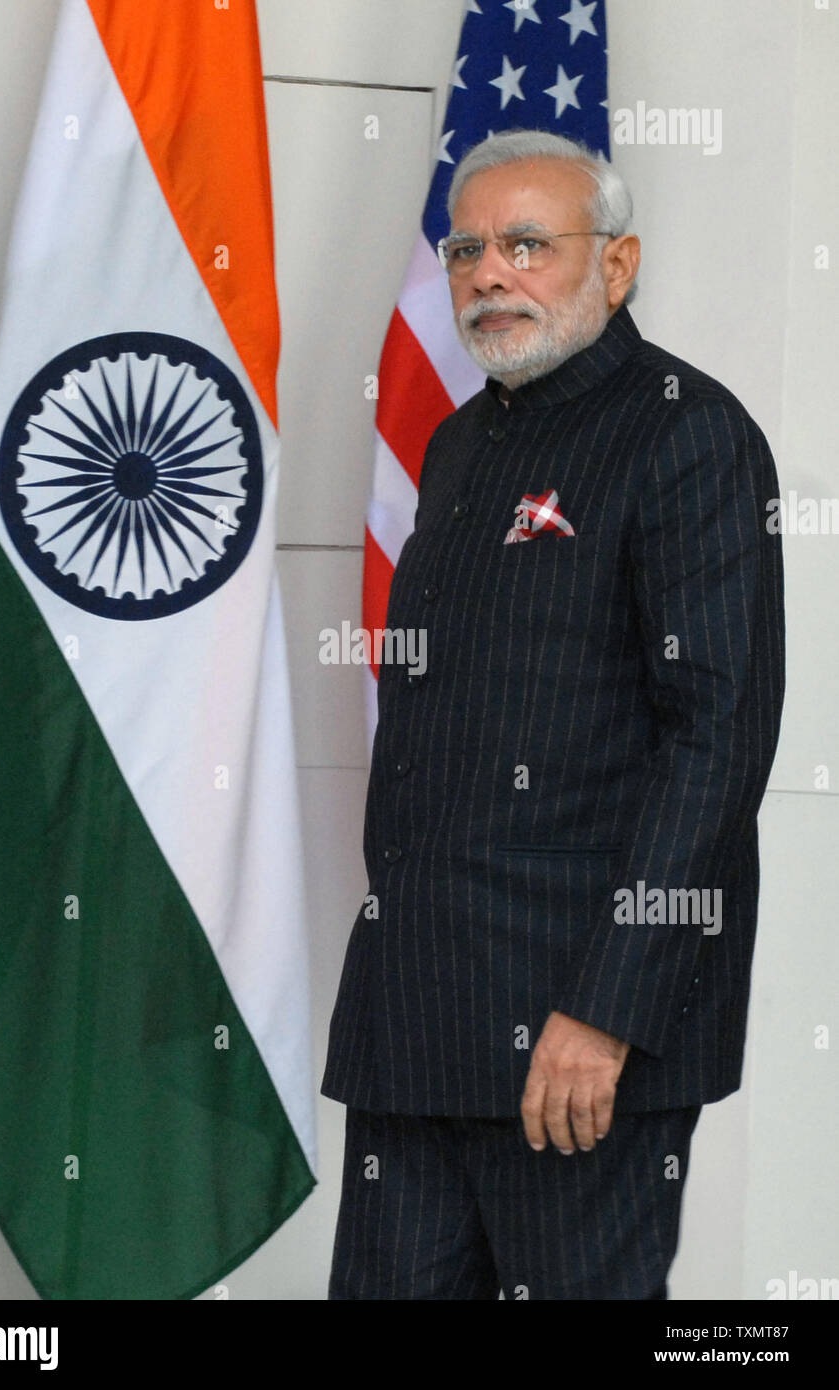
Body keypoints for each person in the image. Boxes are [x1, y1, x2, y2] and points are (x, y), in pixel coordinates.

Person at [321, 129, 785, 1300]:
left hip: (573, 1030)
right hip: (414, 1019)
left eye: (528, 243)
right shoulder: (458, 443)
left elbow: (715, 738)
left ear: (615, 265)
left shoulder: (687, 431)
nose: (489, 273)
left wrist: (603, 1009)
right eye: (467, 247)